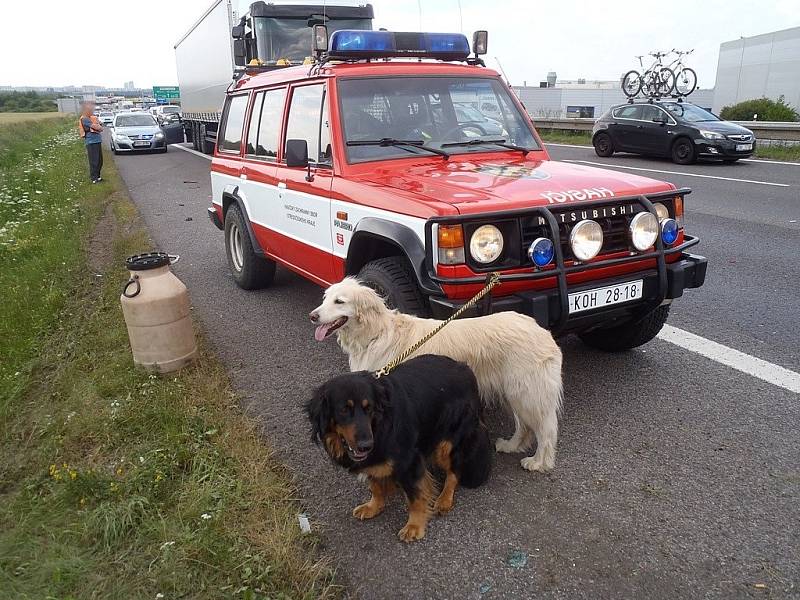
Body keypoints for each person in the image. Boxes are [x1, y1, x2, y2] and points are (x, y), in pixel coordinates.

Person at [78, 101, 104, 183]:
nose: (92, 111)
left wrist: (98, 126)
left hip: (97, 141)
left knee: (100, 160)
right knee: (94, 160)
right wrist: (98, 126)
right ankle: (94, 178)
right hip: (91, 142)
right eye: (90, 110)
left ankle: (98, 176)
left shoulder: (92, 118)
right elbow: (97, 127)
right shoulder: (84, 119)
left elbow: (100, 125)